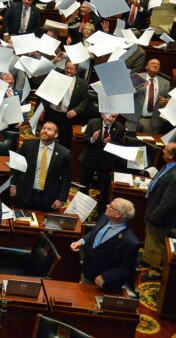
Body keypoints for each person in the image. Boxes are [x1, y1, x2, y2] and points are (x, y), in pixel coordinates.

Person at [69, 198, 140, 291]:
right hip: (87, 271)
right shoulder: (105, 217)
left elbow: (126, 269)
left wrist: (105, 277)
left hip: (102, 283)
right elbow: (94, 232)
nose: (107, 206)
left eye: (111, 206)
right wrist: (81, 241)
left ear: (118, 214)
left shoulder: (130, 241)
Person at [10, 121, 71, 211]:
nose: (45, 131)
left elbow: (66, 178)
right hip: (26, 192)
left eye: (49, 129)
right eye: (43, 128)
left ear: (56, 135)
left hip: (48, 197)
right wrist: (13, 184)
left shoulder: (64, 153)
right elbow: (17, 167)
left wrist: (61, 199)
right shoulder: (28, 145)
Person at [141, 142, 176, 281]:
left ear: (172, 155)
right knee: (150, 241)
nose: (162, 151)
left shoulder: (175, 175)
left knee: (156, 245)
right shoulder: (168, 166)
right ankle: (148, 259)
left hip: (161, 218)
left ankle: (155, 271)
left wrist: (154, 217)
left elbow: (168, 202)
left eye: (165, 150)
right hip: (153, 210)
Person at [80, 113, 125, 214]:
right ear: (102, 114)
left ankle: (100, 212)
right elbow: (85, 140)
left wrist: (111, 142)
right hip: (90, 159)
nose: (110, 119)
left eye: (113, 117)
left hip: (107, 162)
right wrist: (92, 139)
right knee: (83, 186)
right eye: (108, 116)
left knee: (104, 190)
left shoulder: (120, 127)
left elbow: (120, 146)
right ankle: (81, 210)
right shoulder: (92, 122)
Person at [45, 62, 89, 147]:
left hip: (67, 117)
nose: (68, 70)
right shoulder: (56, 77)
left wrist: (76, 110)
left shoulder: (82, 84)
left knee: (64, 142)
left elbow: (84, 100)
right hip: (51, 113)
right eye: (67, 68)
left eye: (71, 69)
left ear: (76, 71)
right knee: (46, 137)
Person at [126, 59, 171, 134]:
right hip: (134, 118)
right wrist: (136, 87)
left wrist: (167, 101)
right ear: (147, 66)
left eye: (158, 64)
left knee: (149, 143)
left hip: (152, 121)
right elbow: (126, 93)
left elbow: (169, 97)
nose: (155, 65)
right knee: (129, 141)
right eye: (153, 63)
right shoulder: (137, 77)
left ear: (159, 68)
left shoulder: (165, 83)